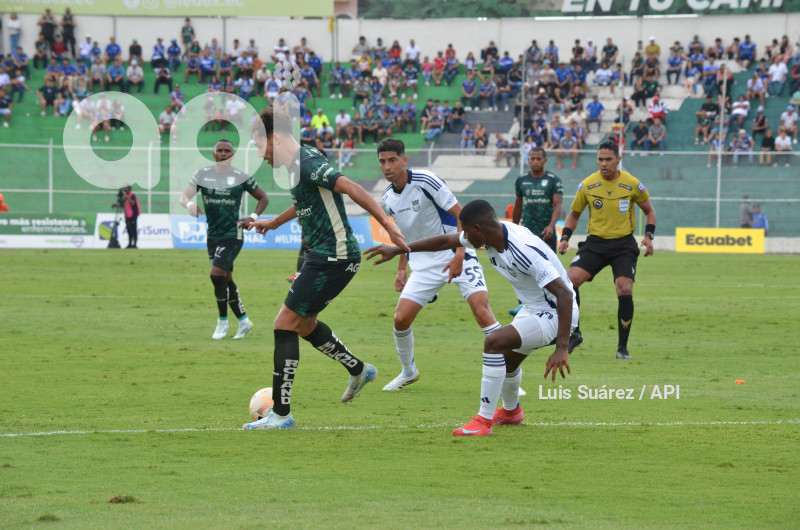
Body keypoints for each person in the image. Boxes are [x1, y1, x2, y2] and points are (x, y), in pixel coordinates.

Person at [242, 105, 410, 430]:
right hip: (326, 255)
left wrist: (388, 225)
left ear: (274, 137)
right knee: (304, 326)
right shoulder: (300, 161)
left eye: (258, 144)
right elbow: (305, 200)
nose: (259, 153)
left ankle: (281, 414)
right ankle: (360, 370)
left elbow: (352, 188)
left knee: (284, 325)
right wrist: (274, 223)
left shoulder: (307, 161)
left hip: (334, 256)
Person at [365, 199, 577, 436]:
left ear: (478, 229)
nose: (462, 237)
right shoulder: (491, 234)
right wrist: (398, 249)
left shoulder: (523, 250)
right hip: (535, 307)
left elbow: (565, 295)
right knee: (506, 362)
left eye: (465, 230)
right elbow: (446, 241)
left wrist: (562, 348)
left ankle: (483, 421)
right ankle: (511, 412)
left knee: (494, 342)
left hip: (556, 312)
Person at [376, 138, 501, 391]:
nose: (387, 166)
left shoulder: (426, 180)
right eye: (382, 162)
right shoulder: (387, 198)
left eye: (392, 160)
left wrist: (459, 254)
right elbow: (401, 234)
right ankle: (409, 372)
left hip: (457, 252)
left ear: (404, 160)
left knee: (482, 312)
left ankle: (508, 375)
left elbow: (461, 215)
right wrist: (402, 268)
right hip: (423, 263)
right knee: (401, 320)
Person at [557, 139, 656, 360]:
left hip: (623, 245)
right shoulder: (588, 185)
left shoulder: (632, 184)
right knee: (568, 282)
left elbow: (650, 211)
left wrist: (648, 236)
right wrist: (565, 238)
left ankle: (622, 348)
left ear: (618, 160)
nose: (603, 163)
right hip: (595, 244)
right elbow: (574, 214)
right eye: (600, 159)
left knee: (624, 288)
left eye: (608, 159)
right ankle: (575, 333)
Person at [180, 139, 268, 340]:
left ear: (232, 155)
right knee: (226, 279)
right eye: (219, 150)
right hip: (212, 236)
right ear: (214, 154)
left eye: (227, 151)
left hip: (233, 235)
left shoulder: (241, 178)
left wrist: (253, 218)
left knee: (216, 274)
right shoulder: (202, 175)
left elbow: (264, 198)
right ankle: (244, 321)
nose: (223, 153)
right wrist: (189, 205)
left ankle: (222, 322)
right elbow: (184, 197)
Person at [508, 146, 563, 315]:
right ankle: (524, 304)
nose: (535, 161)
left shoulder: (554, 180)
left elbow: (558, 205)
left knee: (547, 268)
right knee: (521, 267)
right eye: (532, 158)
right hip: (526, 233)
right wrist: (514, 228)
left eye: (539, 158)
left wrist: (552, 225)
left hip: (546, 233)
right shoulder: (521, 180)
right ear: (528, 160)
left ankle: (552, 301)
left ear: (545, 160)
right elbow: (517, 205)